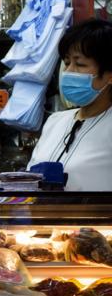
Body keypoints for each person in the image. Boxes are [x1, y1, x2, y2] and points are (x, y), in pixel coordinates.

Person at [26, 19, 112, 191]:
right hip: (45, 217)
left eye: (80, 64)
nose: (68, 72)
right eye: (66, 63)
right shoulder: (55, 122)